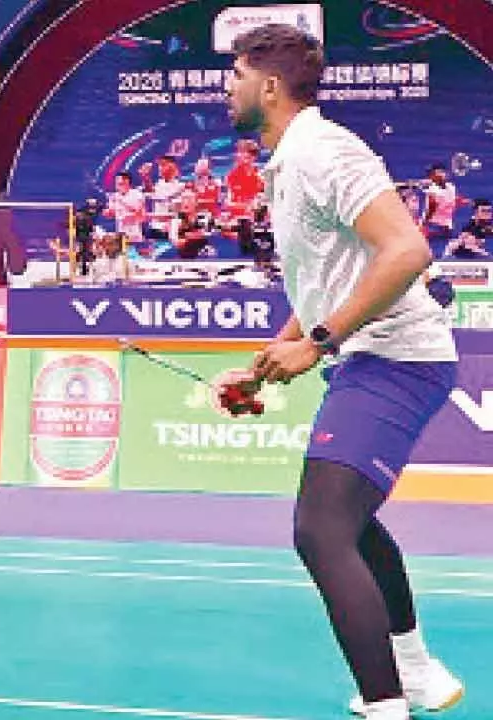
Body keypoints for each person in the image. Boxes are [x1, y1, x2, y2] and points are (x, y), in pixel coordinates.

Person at [225, 24, 463, 720]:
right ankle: (416, 674)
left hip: (398, 357)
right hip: (371, 355)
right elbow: (325, 281)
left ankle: (386, 704)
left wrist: (320, 342)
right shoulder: (286, 162)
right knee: (348, 523)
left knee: (321, 529)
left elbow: (407, 251)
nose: (227, 88)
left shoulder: (324, 151)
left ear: (270, 86)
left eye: (236, 76)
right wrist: (269, 362)